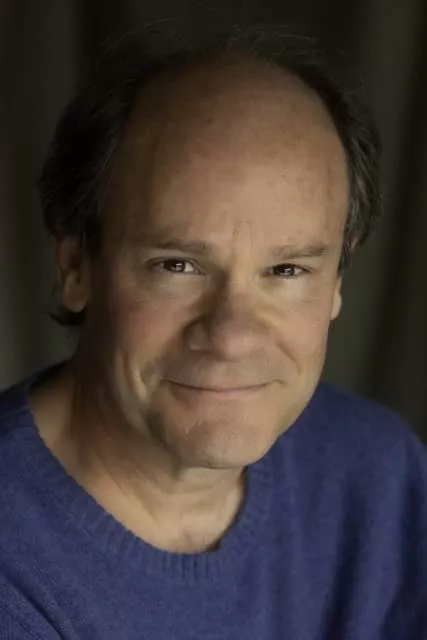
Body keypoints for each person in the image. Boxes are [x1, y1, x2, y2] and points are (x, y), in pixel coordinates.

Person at [0, 35, 426, 639]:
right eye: (178, 265)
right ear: (76, 266)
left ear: (336, 280)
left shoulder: (376, 475)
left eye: (287, 270)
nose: (231, 336)